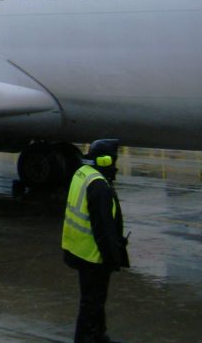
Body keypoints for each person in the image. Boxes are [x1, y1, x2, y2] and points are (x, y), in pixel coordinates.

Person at [62, 139, 130, 343]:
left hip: (79, 250)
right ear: (105, 160)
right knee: (92, 302)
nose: (116, 165)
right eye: (114, 160)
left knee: (94, 301)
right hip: (93, 255)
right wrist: (113, 258)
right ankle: (86, 338)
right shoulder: (99, 185)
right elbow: (103, 228)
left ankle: (98, 335)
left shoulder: (83, 174)